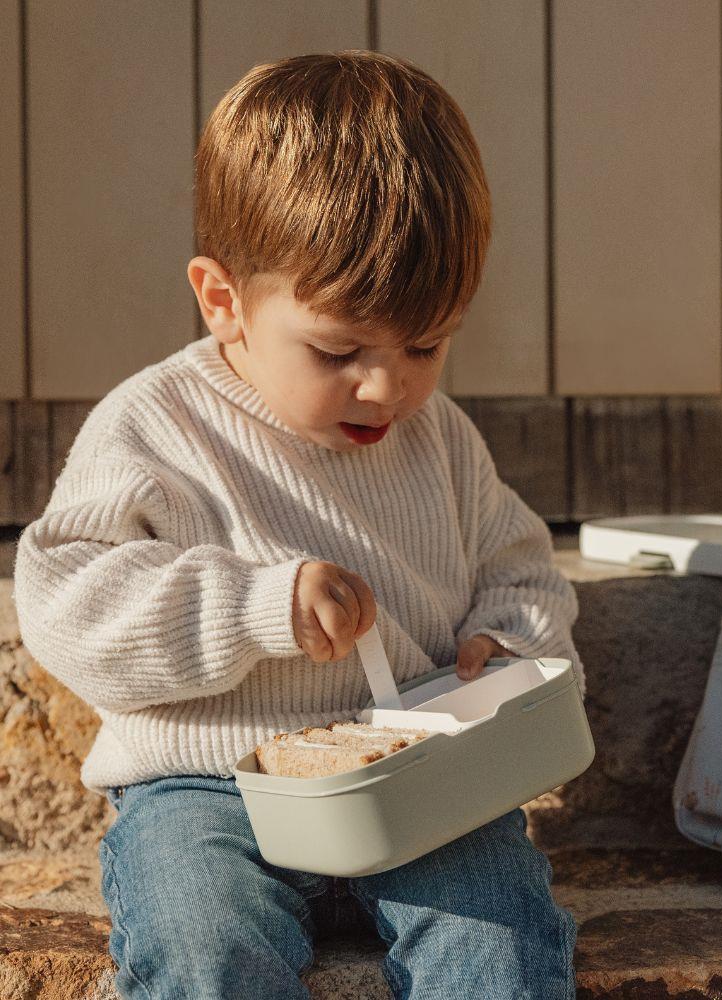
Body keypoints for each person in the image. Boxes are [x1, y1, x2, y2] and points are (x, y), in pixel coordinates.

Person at [12, 50, 585, 999]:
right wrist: (250, 606)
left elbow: (520, 564)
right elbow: (67, 603)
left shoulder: (436, 436)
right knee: (203, 946)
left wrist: (510, 641)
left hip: (417, 783)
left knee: (500, 943)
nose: (386, 384)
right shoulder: (154, 425)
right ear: (224, 301)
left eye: (426, 344)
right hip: (211, 787)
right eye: (338, 348)